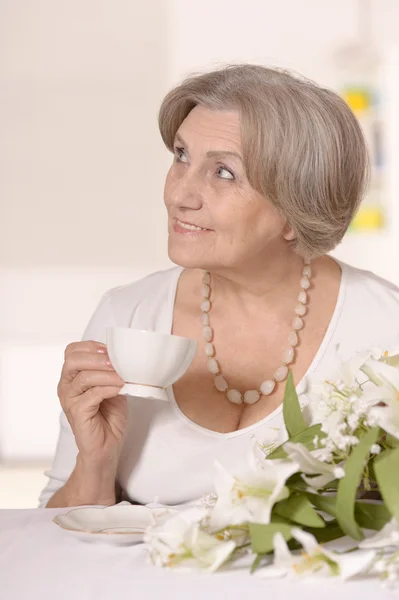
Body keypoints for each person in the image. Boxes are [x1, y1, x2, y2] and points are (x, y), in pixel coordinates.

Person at [39, 64, 399, 509]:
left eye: (223, 173)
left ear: (297, 208)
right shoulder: (127, 315)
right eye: (181, 156)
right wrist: (96, 460)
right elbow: (53, 538)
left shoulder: (386, 332)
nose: (179, 194)